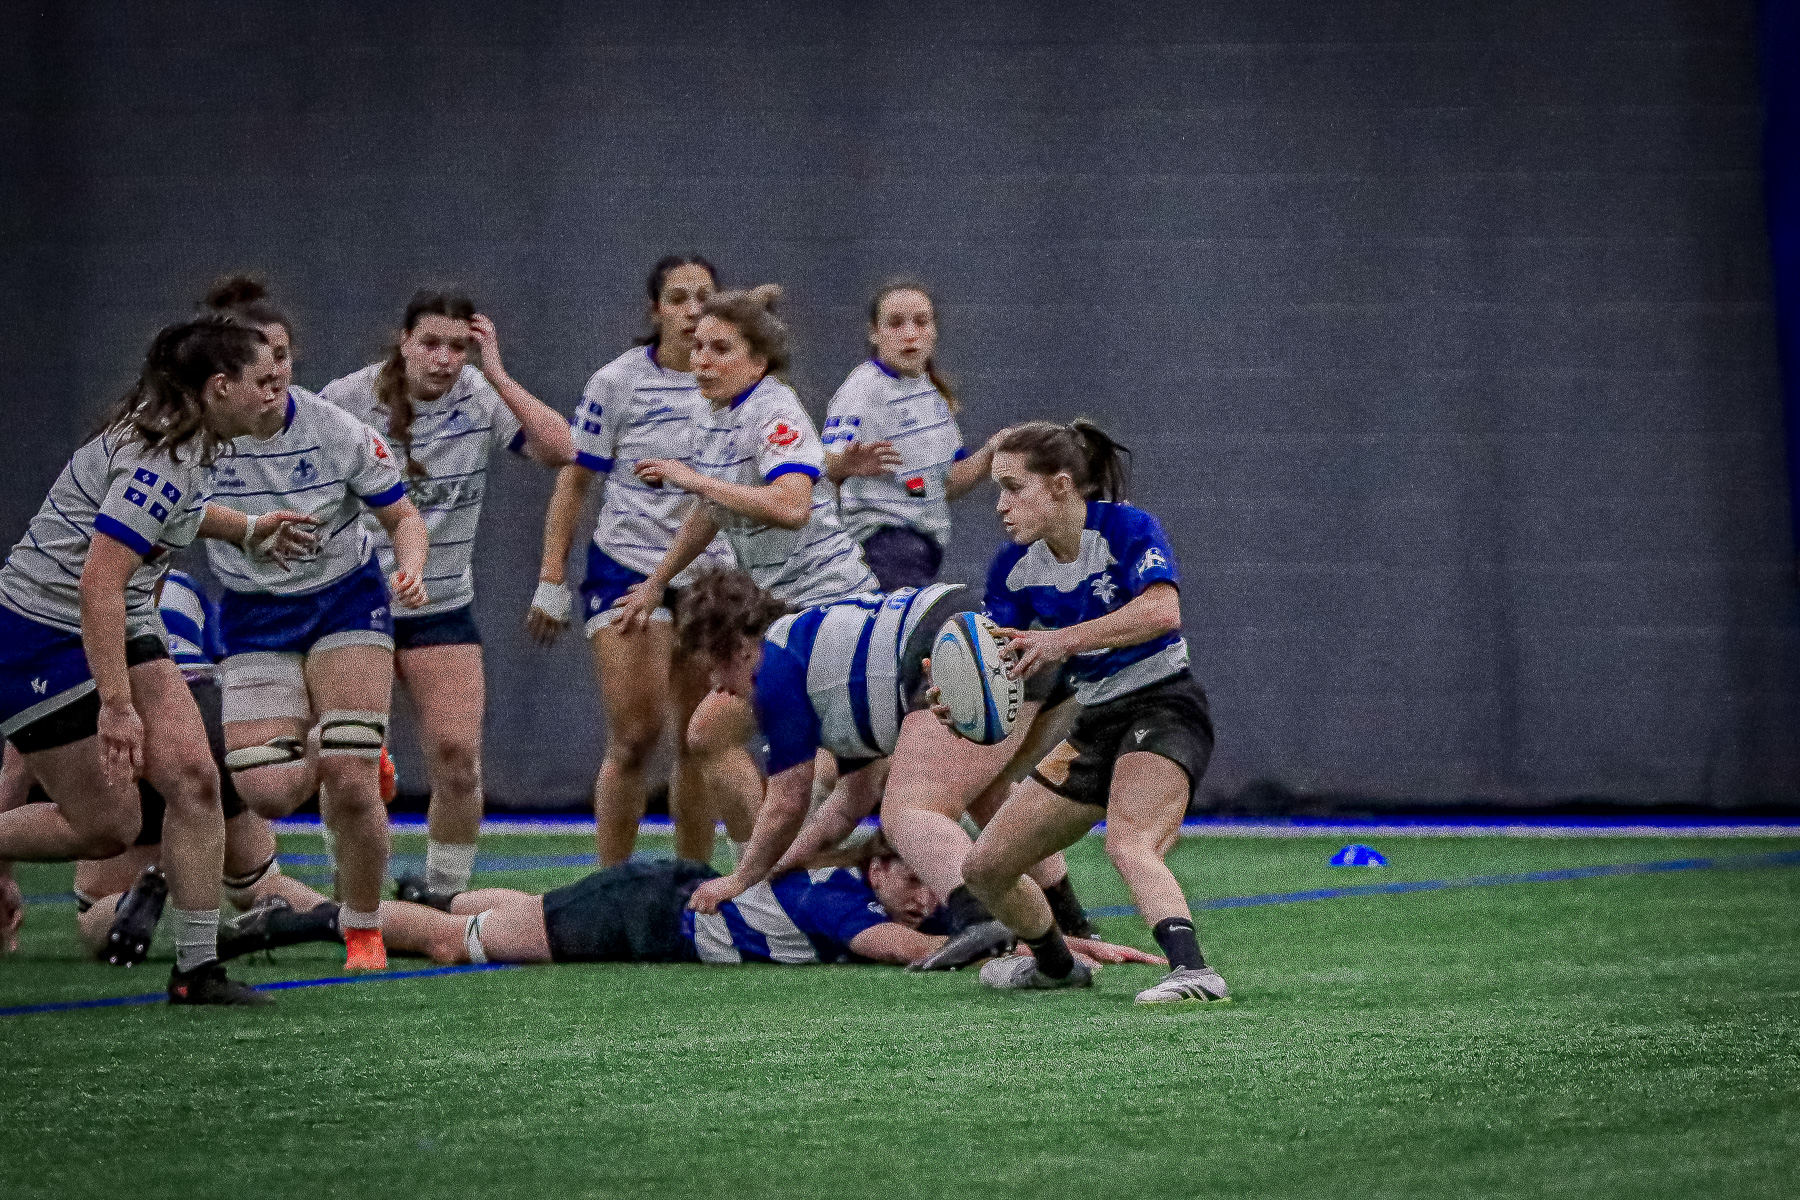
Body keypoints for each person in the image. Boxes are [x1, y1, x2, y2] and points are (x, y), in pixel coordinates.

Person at [0, 315, 317, 1002]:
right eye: (263, 382)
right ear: (220, 386)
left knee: (196, 780)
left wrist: (248, 529)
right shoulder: (163, 457)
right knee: (108, 827)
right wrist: (117, 707)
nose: (278, 394)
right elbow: (97, 583)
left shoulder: (190, 439)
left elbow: (177, 518)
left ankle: (196, 970)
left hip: (123, 615)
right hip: (41, 633)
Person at [658, 567, 1096, 944]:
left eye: (714, 667)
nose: (717, 686)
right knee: (985, 792)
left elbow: (787, 802)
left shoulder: (775, 666)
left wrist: (741, 877)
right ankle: (1070, 922)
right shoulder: (819, 663)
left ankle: (977, 922)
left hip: (959, 637)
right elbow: (850, 803)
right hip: (1006, 631)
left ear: (738, 647)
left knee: (909, 810)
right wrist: (782, 864)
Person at [947, 421, 1229, 1004]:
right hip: (1095, 722)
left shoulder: (1126, 528)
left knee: (1128, 840)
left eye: (1013, 487)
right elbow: (999, 654)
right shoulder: (1013, 566)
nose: (1000, 505)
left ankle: (1194, 972)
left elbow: (1161, 612)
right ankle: (1056, 967)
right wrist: (958, 692)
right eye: (997, 490)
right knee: (985, 867)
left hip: (1163, 705)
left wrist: (1060, 640)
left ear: (1059, 485)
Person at [198, 279, 431, 971]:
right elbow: (159, 510)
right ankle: (337, 739)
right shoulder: (194, 439)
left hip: (343, 600)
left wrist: (411, 568)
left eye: (283, 361)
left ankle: (362, 928)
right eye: (258, 367)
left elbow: (403, 516)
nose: (274, 379)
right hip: (254, 612)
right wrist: (244, 530)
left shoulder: (335, 431)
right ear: (224, 379)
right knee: (265, 793)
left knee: (352, 780)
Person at [321, 290, 573, 898]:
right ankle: (348, 890)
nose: (443, 359)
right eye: (431, 343)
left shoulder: (480, 397)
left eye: (458, 347)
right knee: (349, 767)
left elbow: (562, 449)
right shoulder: (347, 399)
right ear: (404, 342)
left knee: (458, 758)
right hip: (356, 605)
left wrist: (498, 373)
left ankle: (442, 893)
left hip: (440, 605)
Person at [216, 833, 1161, 972]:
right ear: (876, 869)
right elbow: (910, 952)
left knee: (527, 909)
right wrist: (1041, 950)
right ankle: (308, 917)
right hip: (641, 917)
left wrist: (1063, 941)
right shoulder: (842, 900)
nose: (925, 895)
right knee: (456, 943)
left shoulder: (859, 883)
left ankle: (336, 892)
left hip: (652, 893)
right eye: (910, 877)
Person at [525, 257, 735, 867]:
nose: (693, 310)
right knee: (637, 734)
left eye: (704, 297)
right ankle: (609, 884)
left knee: (700, 739)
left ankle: (693, 882)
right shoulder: (617, 382)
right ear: (655, 310)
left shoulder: (736, 382)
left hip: (710, 577)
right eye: (678, 298)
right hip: (627, 565)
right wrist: (551, 578)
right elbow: (574, 482)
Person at [0, 572, 323, 962]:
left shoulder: (55, 591)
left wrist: (3, 872)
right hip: (201, 713)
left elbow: (16, 770)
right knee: (257, 880)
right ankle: (335, 919)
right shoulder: (184, 584)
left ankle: (132, 902)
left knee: (96, 906)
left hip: (119, 720)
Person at [823, 279, 1002, 590]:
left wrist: (990, 453)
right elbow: (820, 465)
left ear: (934, 331)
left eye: (920, 322)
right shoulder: (863, 390)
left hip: (924, 548)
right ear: (874, 332)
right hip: (881, 545)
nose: (909, 334)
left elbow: (945, 482)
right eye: (895, 324)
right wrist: (845, 465)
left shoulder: (931, 393)